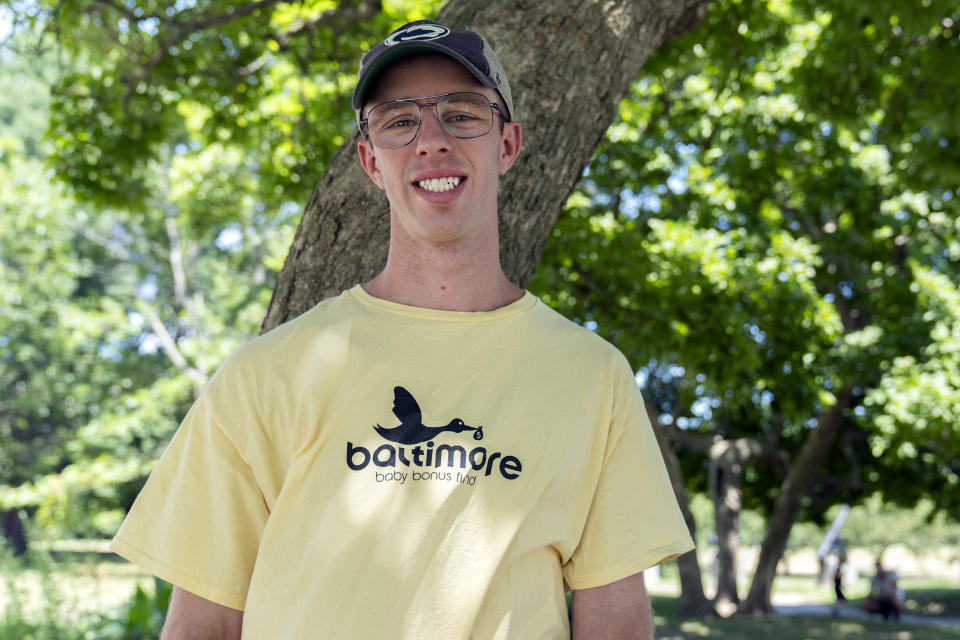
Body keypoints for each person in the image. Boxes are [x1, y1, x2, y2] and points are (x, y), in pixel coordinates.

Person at [109, 19, 694, 639]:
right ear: (369, 159)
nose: (432, 141)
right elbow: (202, 626)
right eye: (398, 121)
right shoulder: (265, 374)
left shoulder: (592, 376)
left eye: (462, 113)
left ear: (508, 143)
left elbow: (618, 625)